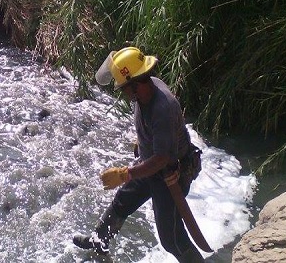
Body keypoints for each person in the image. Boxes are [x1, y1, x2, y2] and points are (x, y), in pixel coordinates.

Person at [73, 46, 205, 262]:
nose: (124, 93)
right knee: (121, 202)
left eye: (124, 88)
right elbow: (153, 130)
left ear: (136, 85)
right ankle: (99, 242)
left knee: (171, 238)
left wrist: (126, 174)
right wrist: (142, 142)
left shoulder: (163, 108)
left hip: (170, 174)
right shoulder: (144, 93)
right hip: (150, 163)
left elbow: (162, 158)